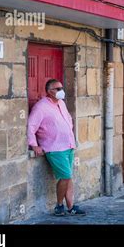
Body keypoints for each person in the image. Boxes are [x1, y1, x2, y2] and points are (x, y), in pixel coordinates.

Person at [27, 79, 86, 216]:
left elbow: (68, 120)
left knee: (68, 177)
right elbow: (31, 126)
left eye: (61, 88)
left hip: (68, 145)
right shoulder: (41, 107)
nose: (61, 91)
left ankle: (71, 207)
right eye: (57, 89)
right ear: (49, 91)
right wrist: (34, 145)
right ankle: (59, 206)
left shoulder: (61, 103)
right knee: (65, 176)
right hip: (54, 147)